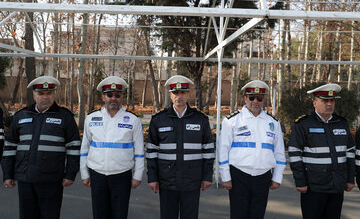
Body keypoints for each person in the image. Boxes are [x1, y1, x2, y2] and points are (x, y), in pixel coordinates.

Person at [1, 76, 80, 219]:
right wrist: (7, 174)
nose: (45, 97)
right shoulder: (21, 115)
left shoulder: (65, 116)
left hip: (51, 180)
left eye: (49, 93)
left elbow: (74, 147)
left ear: (54, 94)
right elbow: (10, 146)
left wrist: (70, 174)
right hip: (25, 179)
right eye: (41, 93)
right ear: (34, 95)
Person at [146, 75, 215, 219]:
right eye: (175, 93)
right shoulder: (158, 119)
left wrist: (207, 176)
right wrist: (152, 177)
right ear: (170, 95)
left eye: (183, 92)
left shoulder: (200, 119)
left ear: (188, 94)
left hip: (192, 181)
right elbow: (151, 151)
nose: (179, 96)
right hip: (166, 181)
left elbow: (208, 150)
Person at [217, 79, 286, 219]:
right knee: (238, 215)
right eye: (251, 97)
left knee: (258, 215)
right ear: (245, 98)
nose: (255, 101)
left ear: (264, 99)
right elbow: (222, 150)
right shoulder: (232, 121)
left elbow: (279, 152)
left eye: (259, 98)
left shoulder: (273, 122)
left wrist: (277, 176)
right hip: (239, 175)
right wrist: (225, 177)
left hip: (263, 176)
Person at [80, 76, 144, 219]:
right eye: (109, 95)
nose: (113, 98)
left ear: (122, 97)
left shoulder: (133, 119)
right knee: (99, 214)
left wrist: (138, 175)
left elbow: (139, 150)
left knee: (120, 214)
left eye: (117, 95)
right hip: (97, 174)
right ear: (103, 97)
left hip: (122, 175)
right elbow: (84, 148)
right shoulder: (91, 118)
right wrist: (84, 173)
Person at [288, 83, 355, 219]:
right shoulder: (303, 124)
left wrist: (349, 179)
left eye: (332, 101)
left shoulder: (341, 123)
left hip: (336, 186)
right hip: (314, 187)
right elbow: (295, 154)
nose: (329, 104)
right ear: (315, 103)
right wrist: (300, 182)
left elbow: (350, 152)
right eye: (325, 101)